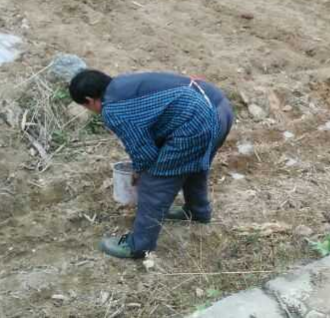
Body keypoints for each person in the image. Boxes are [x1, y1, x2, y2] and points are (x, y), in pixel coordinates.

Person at [69, 70, 234, 259]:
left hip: (199, 120)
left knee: (154, 183)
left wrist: (140, 171)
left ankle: (138, 246)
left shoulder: (113, 109)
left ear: (90, 100)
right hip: (220, 108)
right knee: (192, 162)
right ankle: (197, 211)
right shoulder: (123, 83)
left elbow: (144, 153)